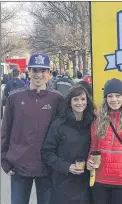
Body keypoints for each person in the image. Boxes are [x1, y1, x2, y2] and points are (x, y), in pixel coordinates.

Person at [1, 54, 65, 204]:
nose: (38, 74)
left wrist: (60, 163)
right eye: (34, 70)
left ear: (48, 72)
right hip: (20, 166)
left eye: (43, 70)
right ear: (28, 71)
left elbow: (62, 133)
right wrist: (5, 160)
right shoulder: (15, 98)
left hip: (47, 167)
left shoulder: (57, 99)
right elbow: (5, 130)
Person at [41, 85, 96, 204]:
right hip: (63, 183)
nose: (79, 103)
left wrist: (93, 161)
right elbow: (47, 152)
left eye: (82, 99)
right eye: (75, 99)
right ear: (69, 102)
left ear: (87, 101)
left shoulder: (92, 122)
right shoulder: (59, 124)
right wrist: (67, 167)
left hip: (86, 182)